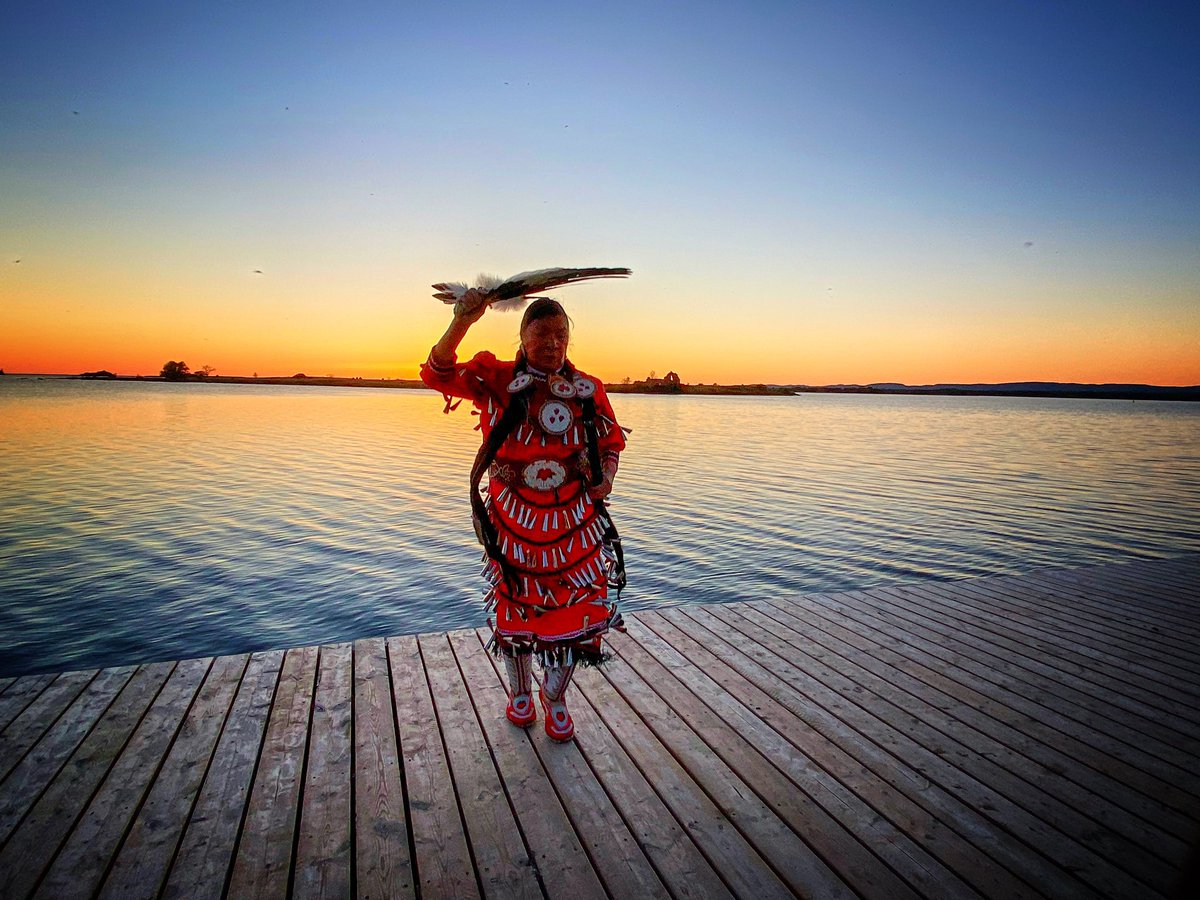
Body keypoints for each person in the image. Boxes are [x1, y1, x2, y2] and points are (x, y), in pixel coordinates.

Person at [421, 290, 627, 742]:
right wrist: (462, 322)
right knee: (517, 609)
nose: (552, 344)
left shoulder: (588, 389)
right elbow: (436, 375)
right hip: (513, 524)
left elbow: (612, 444)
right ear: (522, 337)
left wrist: (605, 478)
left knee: (576, 614)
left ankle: (555, 697)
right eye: (541, 335)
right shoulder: (493, 378)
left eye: (560, 335)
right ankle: (519, 693)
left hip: (575, 528)